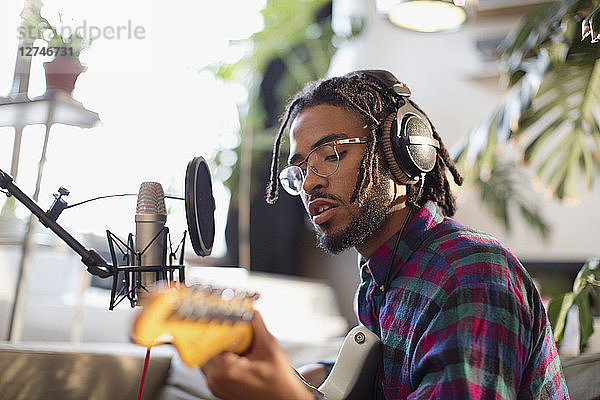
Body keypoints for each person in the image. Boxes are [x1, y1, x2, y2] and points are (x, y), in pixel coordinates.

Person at [201, 70, 570, 399]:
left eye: (331, 154)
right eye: (300, 170)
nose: (310, 182)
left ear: (403, 154)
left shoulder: (469, 272)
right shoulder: (380, 281)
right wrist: (311, 376)